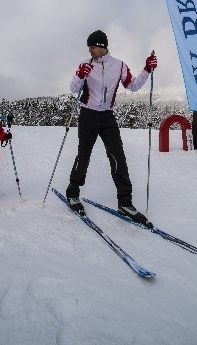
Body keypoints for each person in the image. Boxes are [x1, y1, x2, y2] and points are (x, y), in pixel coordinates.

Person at [66, 30, 158, 227]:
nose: (89, 50)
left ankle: (125, 202)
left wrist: (147, 70)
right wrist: (80, 76)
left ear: (102, 46)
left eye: (92, 46)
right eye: (89, 47)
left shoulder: (119, 65)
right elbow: (74, 88)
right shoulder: (85, 64)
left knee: (118, 157)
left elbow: (132, 86)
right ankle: (73, 193)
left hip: (107, 116)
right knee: (83, 156)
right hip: (88, 115)